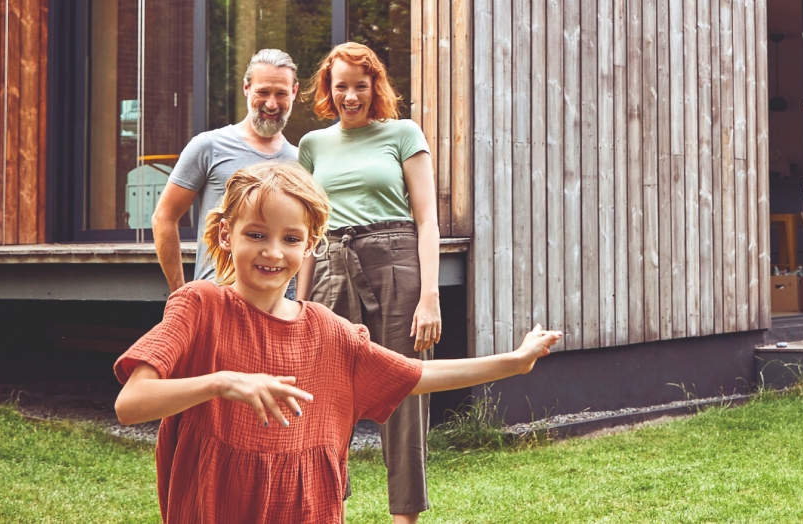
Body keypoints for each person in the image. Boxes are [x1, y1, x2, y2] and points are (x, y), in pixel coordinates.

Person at [113, 163, 562, 523]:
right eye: (256, 234)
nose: (273, 252)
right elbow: (130, 403)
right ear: (227, 236)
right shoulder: (199, 305)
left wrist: (513, 362)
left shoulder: (326, 330)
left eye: (290, 239)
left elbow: (414, 373)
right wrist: (222, 383)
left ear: (310, 246)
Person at [294, 42, 440, 523]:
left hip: (396, 262)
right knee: (325, 395)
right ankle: (328, 510)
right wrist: (297, 302)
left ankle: (404, 518)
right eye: (341, 87)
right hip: (331, 264)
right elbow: (308, 230)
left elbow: (427, 221)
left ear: (375, 85)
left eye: (360, 85)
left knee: (403, 389)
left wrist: (430, 298)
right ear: (328, 89)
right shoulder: (313, 145)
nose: (350, 96)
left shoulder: (403, 133)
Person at [153, 49, 301, 297]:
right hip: (218, 295)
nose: (272, 103)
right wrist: (179, 293)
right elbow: (164, 218)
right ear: (246, 88)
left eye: (281, 94)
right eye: (262, 92)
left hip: (281, 303)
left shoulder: (300, 160)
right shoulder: (208, 146)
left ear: (294, 93)